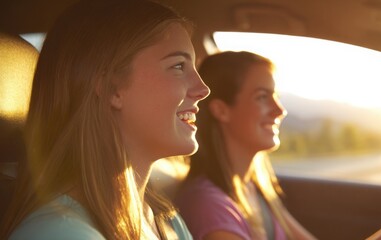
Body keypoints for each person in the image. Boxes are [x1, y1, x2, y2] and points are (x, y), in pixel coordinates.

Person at [0, 0, 209, 239]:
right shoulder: (60, 232)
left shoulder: (165, 220)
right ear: (111, 88)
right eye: (178, 66)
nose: (203, 89)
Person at [174, 51, 316, 240]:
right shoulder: (209, 206)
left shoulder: (253, 187)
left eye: (276, 96)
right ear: (221, 110)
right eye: (262, 97)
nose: (280, 110)